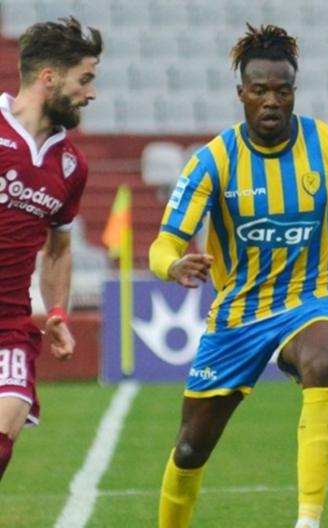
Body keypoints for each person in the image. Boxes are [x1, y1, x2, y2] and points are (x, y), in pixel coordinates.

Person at [149, 24, 328, 528]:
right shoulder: (213, 161)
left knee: (321, 362)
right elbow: (164, 242)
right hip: (239, 314)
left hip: (315, 297)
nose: (271, 101)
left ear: (294, 91)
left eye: (282, 91)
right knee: (191, 448)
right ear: (241, 93)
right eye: (259, 90)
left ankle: (307, 520)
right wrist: (171, 265)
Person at [0, 17, 100, 482]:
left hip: (10, 325)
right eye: (84, 79)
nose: (90, 93)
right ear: (49, 77)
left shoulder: (71, 164)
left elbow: (58, 248)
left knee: (5, 433)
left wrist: (57, 310)